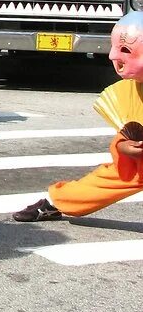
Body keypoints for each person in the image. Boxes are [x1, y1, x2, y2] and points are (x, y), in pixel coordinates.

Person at [13, 12, 143, 223]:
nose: (113, 57)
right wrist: (123, 145)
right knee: (115, 177)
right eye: (115, 48)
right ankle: (55, 202)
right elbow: (130, 124)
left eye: (126, 50)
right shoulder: (132, 89)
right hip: (138, 167)